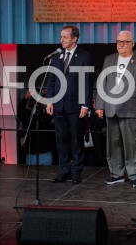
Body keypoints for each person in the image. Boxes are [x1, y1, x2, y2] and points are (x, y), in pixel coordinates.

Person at [95, 31, 136, 188]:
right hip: (111, 107)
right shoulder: (109, 59)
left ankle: (135, 175)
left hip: (131, 108)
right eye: (119, 41)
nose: (121, 44)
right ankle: (116, 174)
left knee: (133, 144)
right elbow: (103, 82)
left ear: (133, 43)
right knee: (113, 143)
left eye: (125, 42)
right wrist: (99, 105)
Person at [46, 25, 92, 185]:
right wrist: (49, 100)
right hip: (59, 105)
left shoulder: (84, 56)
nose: (62, 40)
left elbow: (86, 82)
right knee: (61, 140)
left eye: (65, 37)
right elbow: (51, 80)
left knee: (76, 140)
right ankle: (64, 171)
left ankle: (76, 172)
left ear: (74, 38)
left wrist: (85, 105)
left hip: (76, 106)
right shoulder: (56, 57)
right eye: (61, 37)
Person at [18, 90, 54, 166]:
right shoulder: (27, 116)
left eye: (37, 104)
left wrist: (48, 97)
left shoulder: (45, 116)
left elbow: (53, 110)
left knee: (47, 176)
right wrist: (26, 97)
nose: (35, 105)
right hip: (32, 155)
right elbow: (20, 110)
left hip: (45, 153)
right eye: (33, 103)